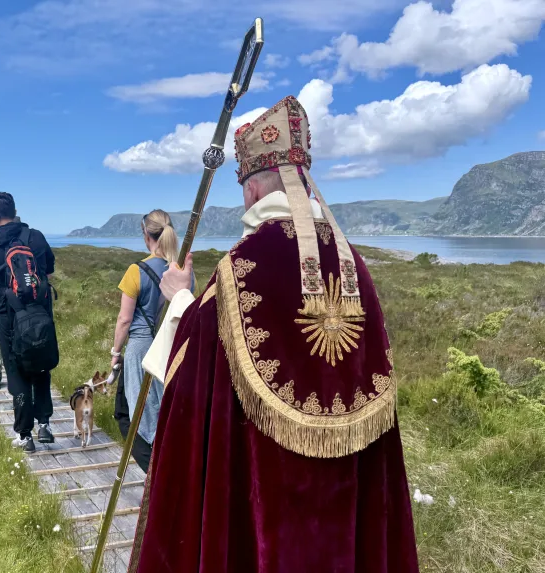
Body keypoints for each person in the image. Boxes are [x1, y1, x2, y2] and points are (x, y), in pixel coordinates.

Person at [128, 96, 419, 573]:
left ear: (252, 186)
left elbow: (191, 377)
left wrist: (179, 298)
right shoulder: (356, 268)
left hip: (265, 492)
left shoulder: (241, 270)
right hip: (345, 492)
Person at [0, 192, 57, 453]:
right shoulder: (36, 237)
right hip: (40, 311)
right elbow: (49, 270)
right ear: (15, 210)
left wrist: (0, 293)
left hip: (9, 314)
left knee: (16, 369)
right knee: (40, 364)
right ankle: (44, 424)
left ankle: (25, 435)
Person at [110, 209, 191, 473]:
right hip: (172, 348)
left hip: (142, 349)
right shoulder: (183, 273)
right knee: (162, 414)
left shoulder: (136, 270)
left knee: (135, 418)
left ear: (146, 235)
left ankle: (156, 477)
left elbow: (124, 320)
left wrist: (115, 352)